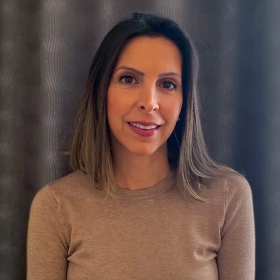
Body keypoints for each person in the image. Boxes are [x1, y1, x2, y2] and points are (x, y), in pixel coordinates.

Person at [27, 13, 255, 279]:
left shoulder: (228, 196)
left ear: (184, 101)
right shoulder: (56, 207)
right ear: (101, 90)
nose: (149, 102)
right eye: (128, 79)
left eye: (167, 84)